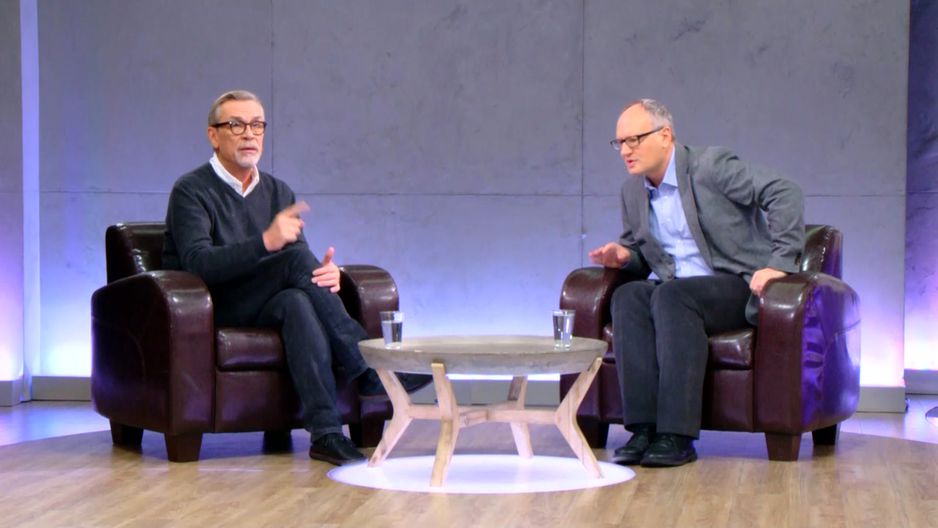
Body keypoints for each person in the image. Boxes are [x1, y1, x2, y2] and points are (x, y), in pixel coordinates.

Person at [162, 90, 430, 466]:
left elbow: (298, 258)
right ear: (213, 135)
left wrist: (328, 274)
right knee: (292, 263)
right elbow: (197, 264)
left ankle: (326, 433)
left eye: (257, 125)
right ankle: (368, 366)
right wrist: (265, 243)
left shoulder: (278, 190)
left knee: (298, 301)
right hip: (213, 306)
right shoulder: (191, 190)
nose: (249, 134)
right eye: (236, 125)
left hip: (270, 301)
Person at [588, 99, 804, 468]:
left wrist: (779, 264)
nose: (625, 150)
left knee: (672, 296)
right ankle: (643, 429)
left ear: (665, 135)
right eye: (619, 143)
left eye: (634, 140)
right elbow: (643, 254)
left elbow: (785, 192)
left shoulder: (711, 167)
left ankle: (677, 434)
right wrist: (624, 257)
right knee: (628, 296)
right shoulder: (632, 192)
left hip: (734, 284)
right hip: (676, 289)